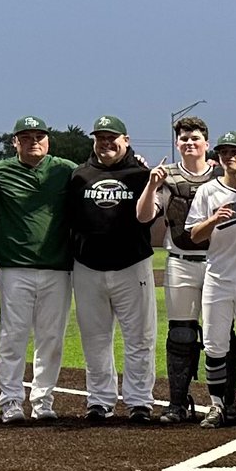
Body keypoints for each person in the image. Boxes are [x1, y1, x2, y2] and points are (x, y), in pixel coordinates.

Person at [135, 115, 235, 424]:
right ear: (177, 144)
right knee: (181, 333)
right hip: (180, 261)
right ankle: (177, 402)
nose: (189, 143)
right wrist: (151, 185)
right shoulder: (167, 177)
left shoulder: (223, 175)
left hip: (219, 262)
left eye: (195, 138)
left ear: (207, 142)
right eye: (183, 139)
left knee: (223, 334)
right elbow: (144, 217)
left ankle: (227, 400)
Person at [67, 115, 157, 423]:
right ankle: (99, 400)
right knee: (95, 338)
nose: (106, 143)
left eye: (112, 137)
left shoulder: (141, 174)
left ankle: (140, 401)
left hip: (132, 265)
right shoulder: (79, 175)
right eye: (100, 138)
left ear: (126, 140)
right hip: (88, 266)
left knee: (140, 338)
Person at [0, 115, 76, 423]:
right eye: (25, 137)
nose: (33, 141)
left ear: (48, 140)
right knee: (13, 336)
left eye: (38, 136)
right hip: (15, 268)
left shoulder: (65, 170)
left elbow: (97, 179)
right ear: (14, 142)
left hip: (57, 267)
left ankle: (42, 400)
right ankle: (11, 400)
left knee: (51, 338)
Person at [187, 130, 236, 428]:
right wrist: (213, 219)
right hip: (217, 277)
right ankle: (217, 405)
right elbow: (194, 234)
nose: (229, 156)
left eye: (235, 151)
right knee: (215, 345)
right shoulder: (208, 191)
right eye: (224, 152)